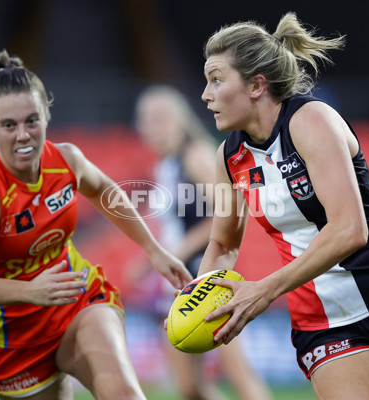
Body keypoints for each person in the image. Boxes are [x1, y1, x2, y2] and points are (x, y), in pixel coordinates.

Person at [196, 12, 369, 400]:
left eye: (217, 79)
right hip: (322, 318)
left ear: (257, 85)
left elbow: (349, 230)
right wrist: (197, 298)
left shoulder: (312, 121)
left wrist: (264, 291)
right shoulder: (228, 157)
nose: (206, 94)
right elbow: (223, 246)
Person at [0, 50, 193, 400]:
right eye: (9, 125)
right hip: (14, 339)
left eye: (32, 121)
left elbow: (102, 190)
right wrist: (30, 292)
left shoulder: (66, 159)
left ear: (46, 117)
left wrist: (153, 250)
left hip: (76, 300)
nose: (23, 135)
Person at [133, 85, 272, 400]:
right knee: (189, 388)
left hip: (207, 277)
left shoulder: (194, 156)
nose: (153, 126)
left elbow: (226, 215)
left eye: (160, 117)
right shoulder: (165, 165)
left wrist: (170, 253)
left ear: (180, 119)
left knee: (238, 374)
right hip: (178, 280)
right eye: (147, 119)